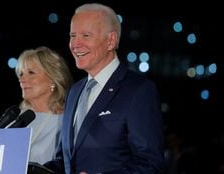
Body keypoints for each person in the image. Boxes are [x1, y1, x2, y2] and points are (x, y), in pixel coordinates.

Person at [44, 3, 164, 174]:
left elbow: (151, 163)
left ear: (111, 41)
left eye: (85, 35)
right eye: (72, 35)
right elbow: (65, 162)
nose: (75, 44)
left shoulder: (139, 90)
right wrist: (30, 169)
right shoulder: (74, 91)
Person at [15, 46, 73, 165]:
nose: (22, 79)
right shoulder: (15, 121)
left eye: (31, 73)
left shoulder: (67, 121)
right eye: (21, 74)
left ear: (53, 78)